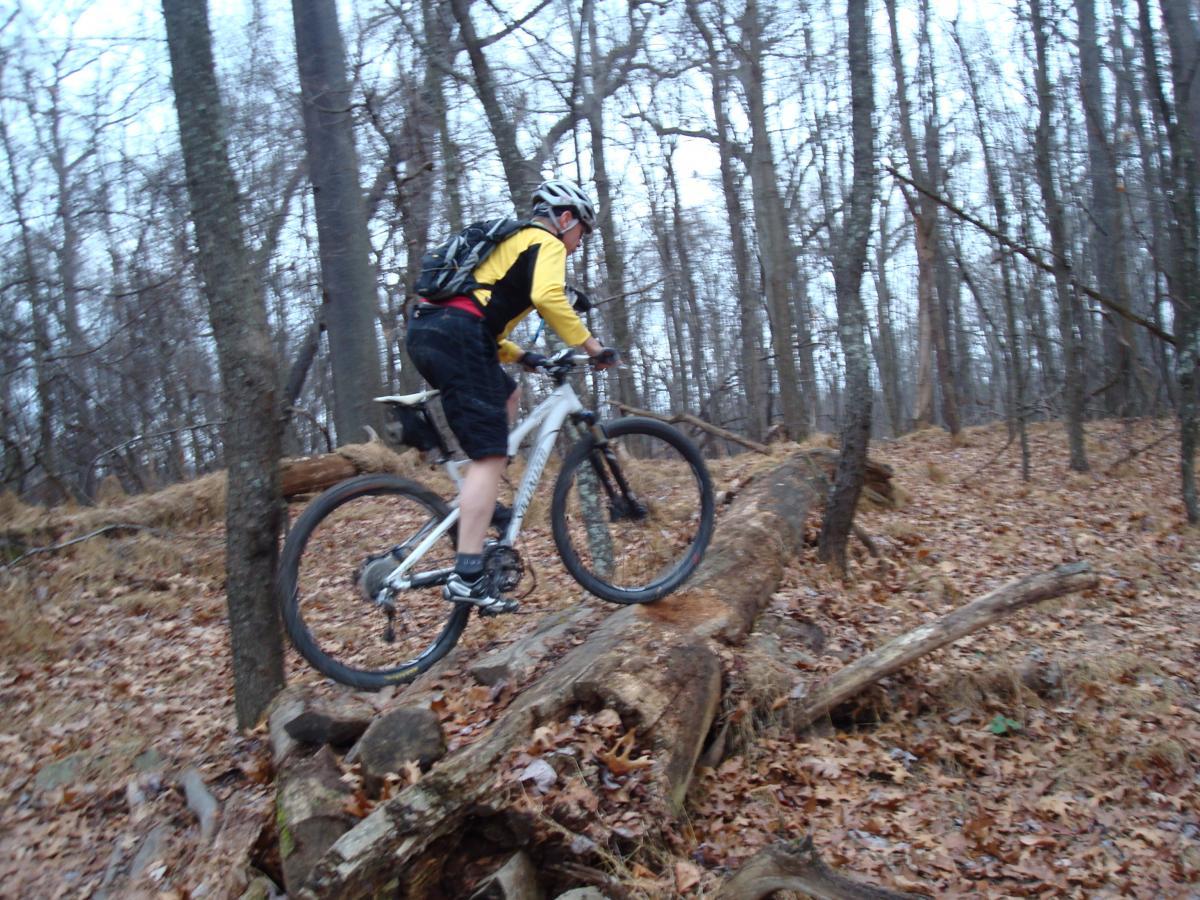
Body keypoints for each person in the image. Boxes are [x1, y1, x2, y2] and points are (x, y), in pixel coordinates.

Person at [405, 178, 617, 614]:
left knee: (508, 394)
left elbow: (483, 319)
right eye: (582, 233)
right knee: (490, 454)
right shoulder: (545, 241)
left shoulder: (510, 243)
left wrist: (525, 357)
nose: (578, 245)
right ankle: (467, 575)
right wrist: (591, 346)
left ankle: (474, 493)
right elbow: (548, 297)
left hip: (429, 330)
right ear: (565, 219)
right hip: (457, 333)